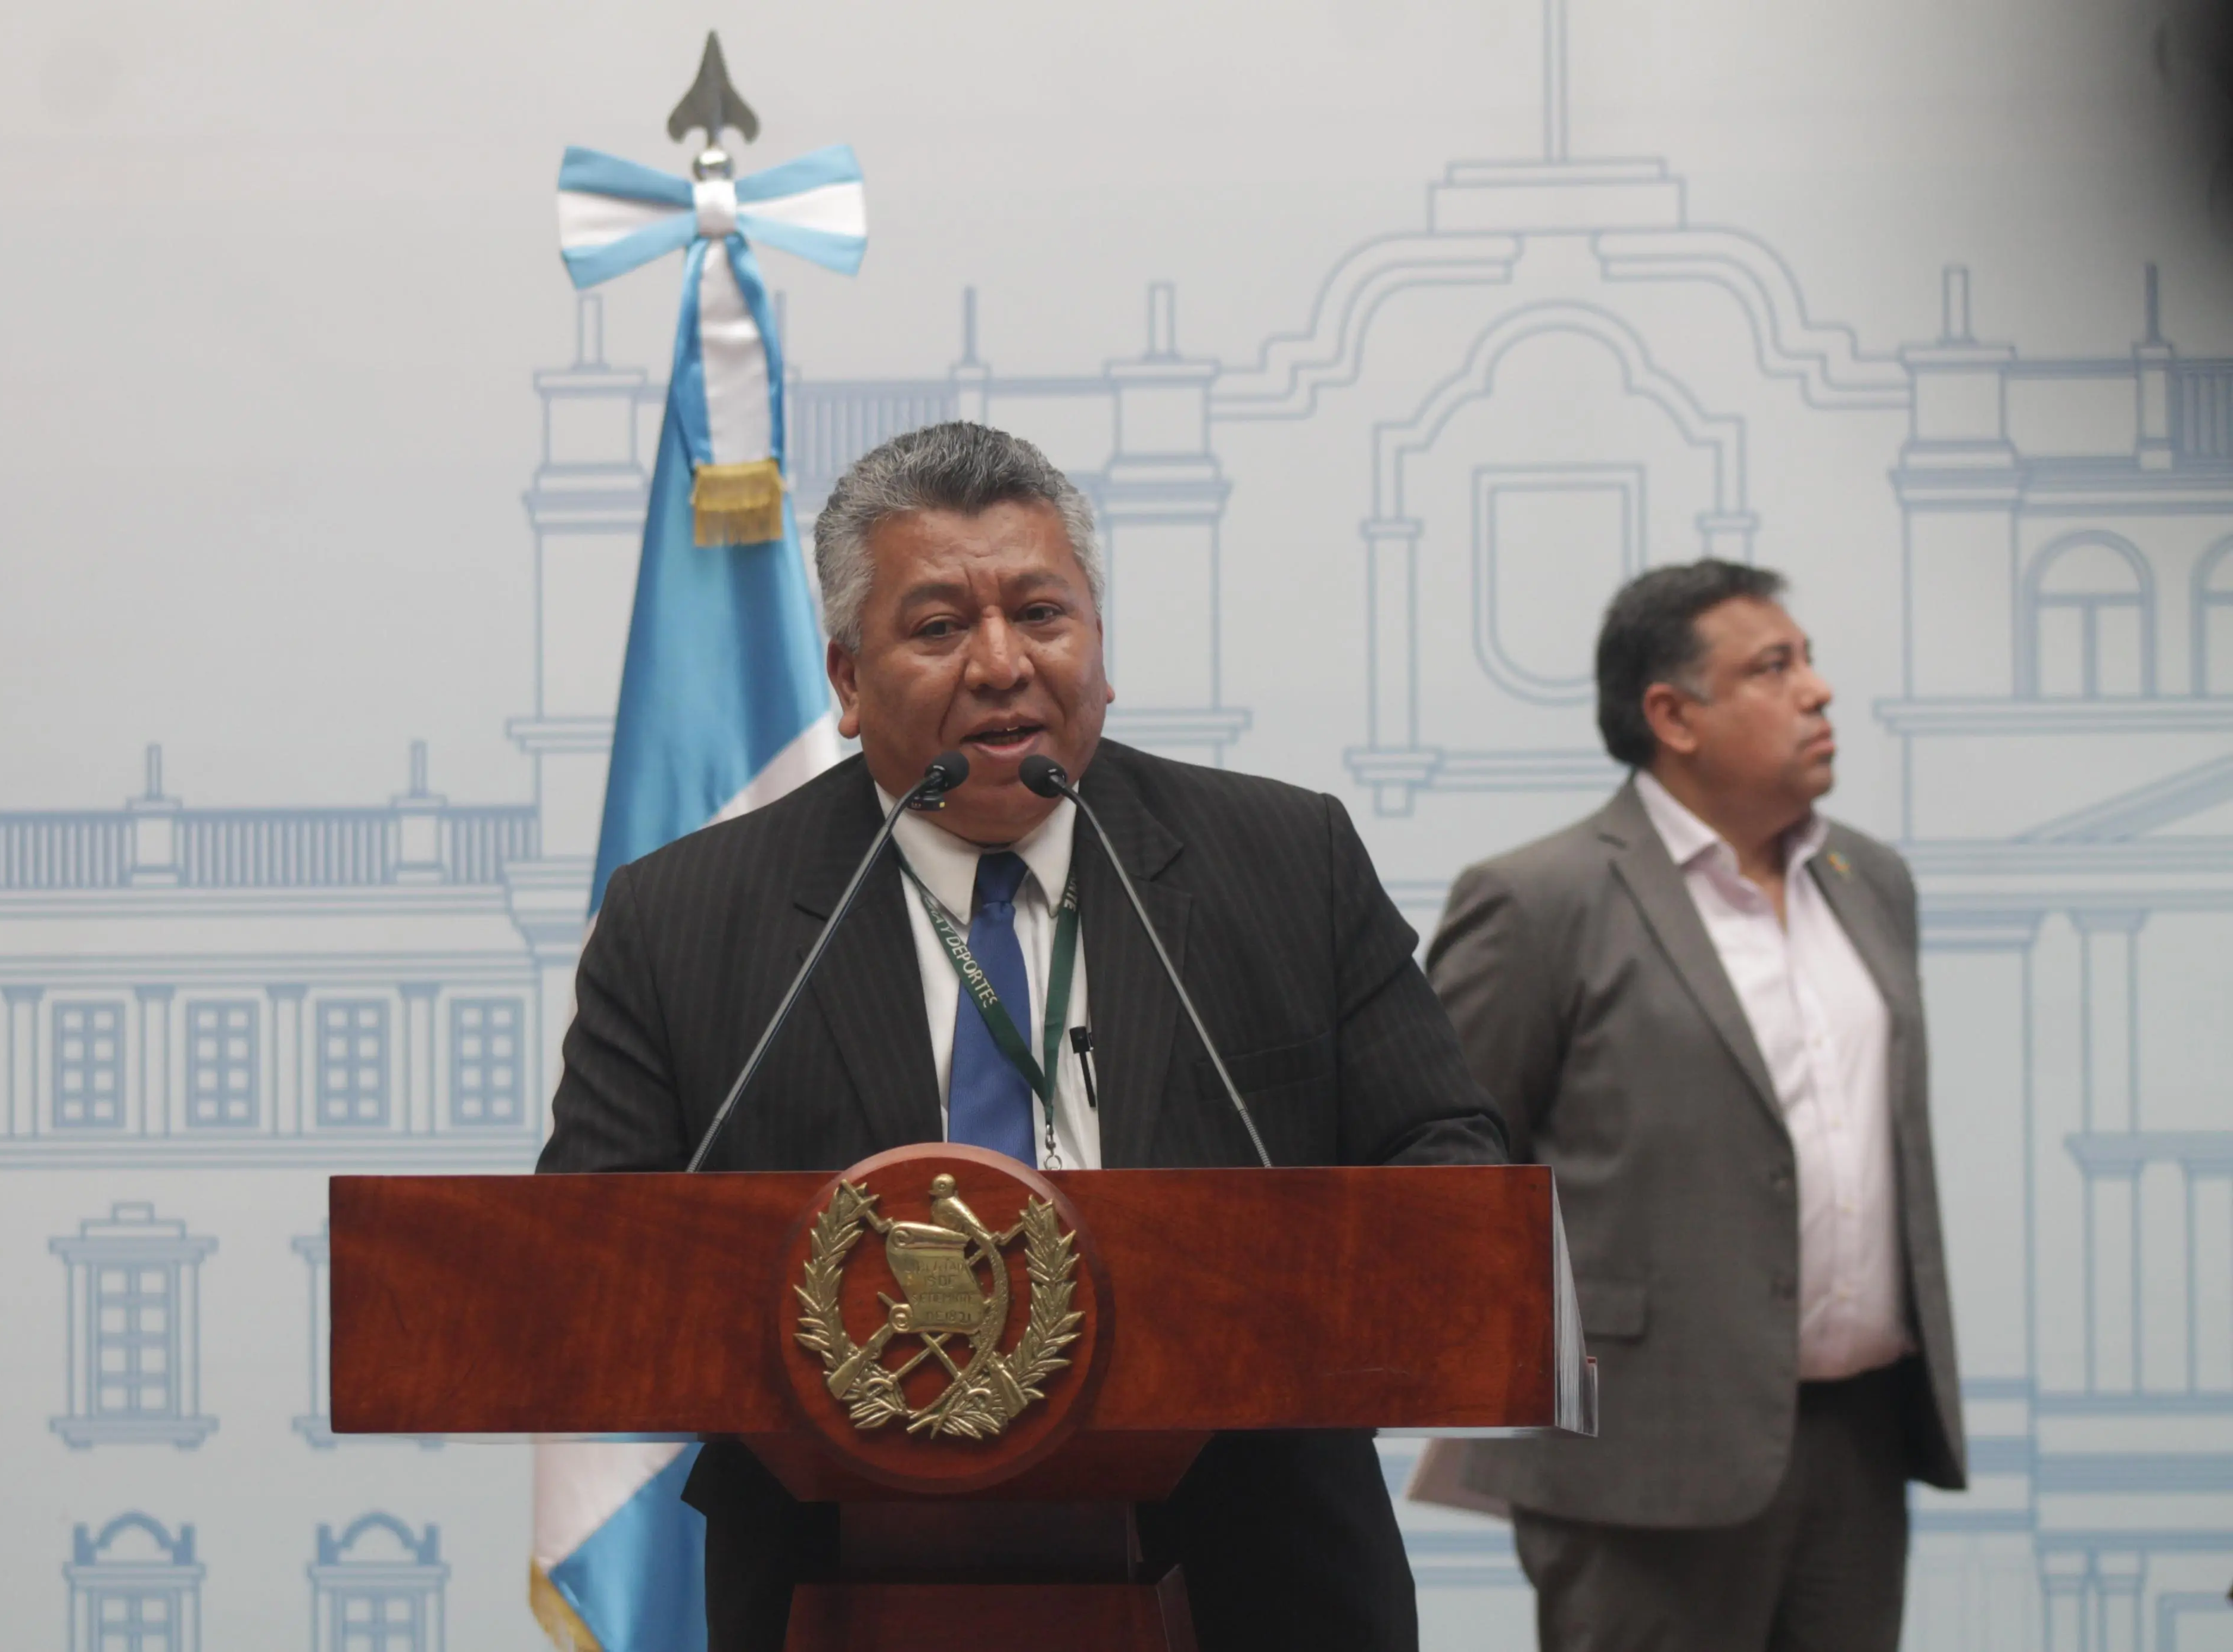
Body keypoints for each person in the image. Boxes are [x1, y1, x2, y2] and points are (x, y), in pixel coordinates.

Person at [539, 420, 1508, 1651]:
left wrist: (1264, 1294)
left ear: (1098, 647)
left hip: (1261, 1570)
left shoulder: (1282, 861)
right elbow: (589, 1262)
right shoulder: (684, 917)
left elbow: (1449, 1168)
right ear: (845, 680)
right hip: (840, 1578)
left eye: (1042, 614)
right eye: (939, 627)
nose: (1002, 664)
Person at [1425, 560, 1966, 1651]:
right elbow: (1455, 1168)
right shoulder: (1541, 899)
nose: (1818, 690)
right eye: (1775, 666)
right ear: (1671, 714)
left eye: (1809, 659)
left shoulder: (1872, 880)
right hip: (1641, 1457)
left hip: (1858, 1439)